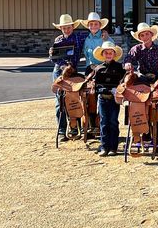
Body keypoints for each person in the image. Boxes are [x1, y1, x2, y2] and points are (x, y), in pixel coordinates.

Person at [49, 14, 87, 142]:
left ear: (72, 27)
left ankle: (76, 127)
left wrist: (104, 34)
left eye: (68, 27)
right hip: (60, 72)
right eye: (64, 28)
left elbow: (93, 35)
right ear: (61, 28)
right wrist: (64, 65)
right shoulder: (58, 40)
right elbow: (54, 58)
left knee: (75, 98)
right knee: (60, 101)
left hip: (73, 72)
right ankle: (61, 130)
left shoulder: (80, 37)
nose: (66, 30)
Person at [90, 42, 126, 156]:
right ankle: (104, 147)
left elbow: (123, 82)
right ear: (103, 54)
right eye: (106, 52)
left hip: (114, 98)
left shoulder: (120, 68)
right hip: (102, 98)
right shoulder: (98, 68)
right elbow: (95, 84)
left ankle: (113, 147)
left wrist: (118, 89)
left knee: (113, 121)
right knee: (103, 121)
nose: (109, 54)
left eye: (111, 53)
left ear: (114, 54)